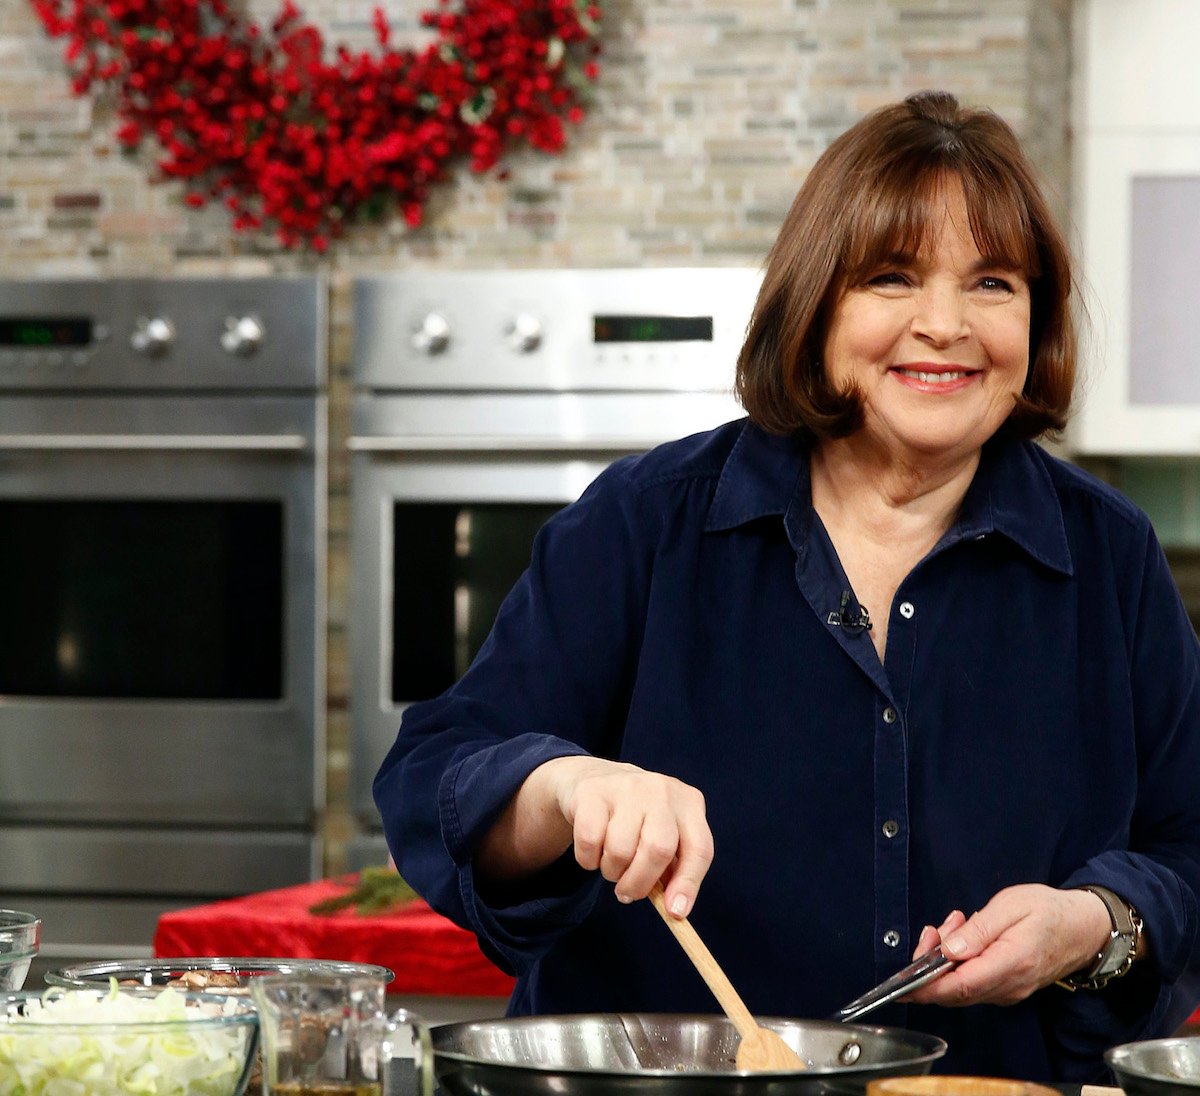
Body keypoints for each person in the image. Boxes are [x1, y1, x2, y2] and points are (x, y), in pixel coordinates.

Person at [373, 90, 1200, 1081]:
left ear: (1036, 316)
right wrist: (562, 786)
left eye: (993, 283)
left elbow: (1190, 846)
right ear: (815, 304)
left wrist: (1094, 924)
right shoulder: (647, 520)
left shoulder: (1109, 555)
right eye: (892, 278)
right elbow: (436, 772)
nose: (945, 326)